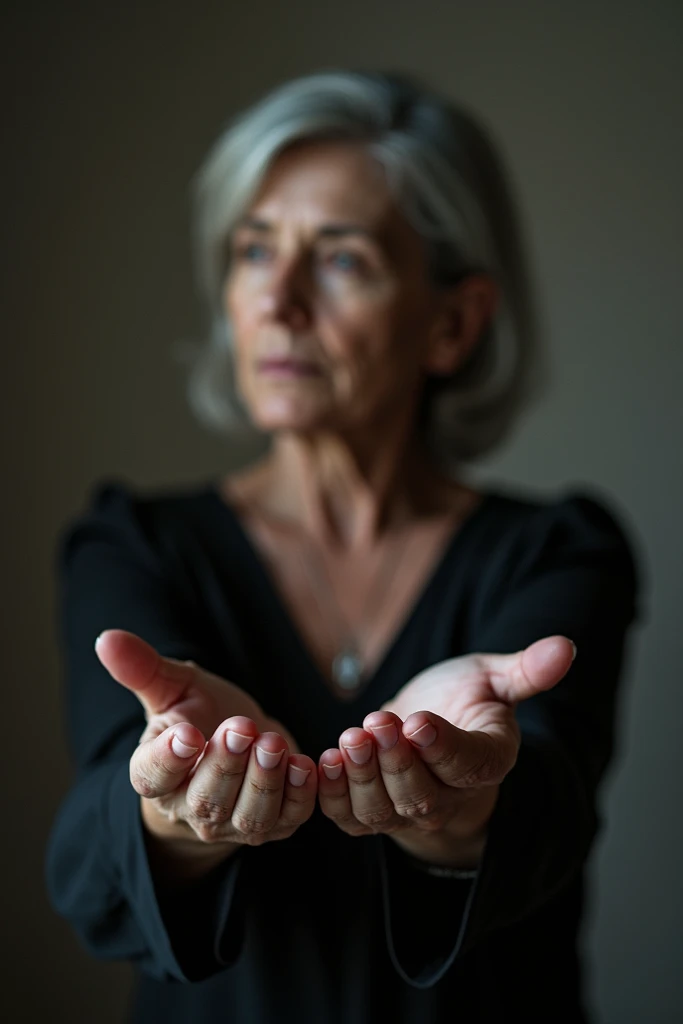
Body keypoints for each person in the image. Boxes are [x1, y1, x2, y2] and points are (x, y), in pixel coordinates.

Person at [45, 69, 641, 1024]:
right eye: (252, 251)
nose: (276, 300)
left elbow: (553, 819)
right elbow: (87, 863)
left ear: (452, 323)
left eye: (341, 260)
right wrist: (174, 797)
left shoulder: (556, 552)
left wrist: (456, 804)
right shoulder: (133, 544)